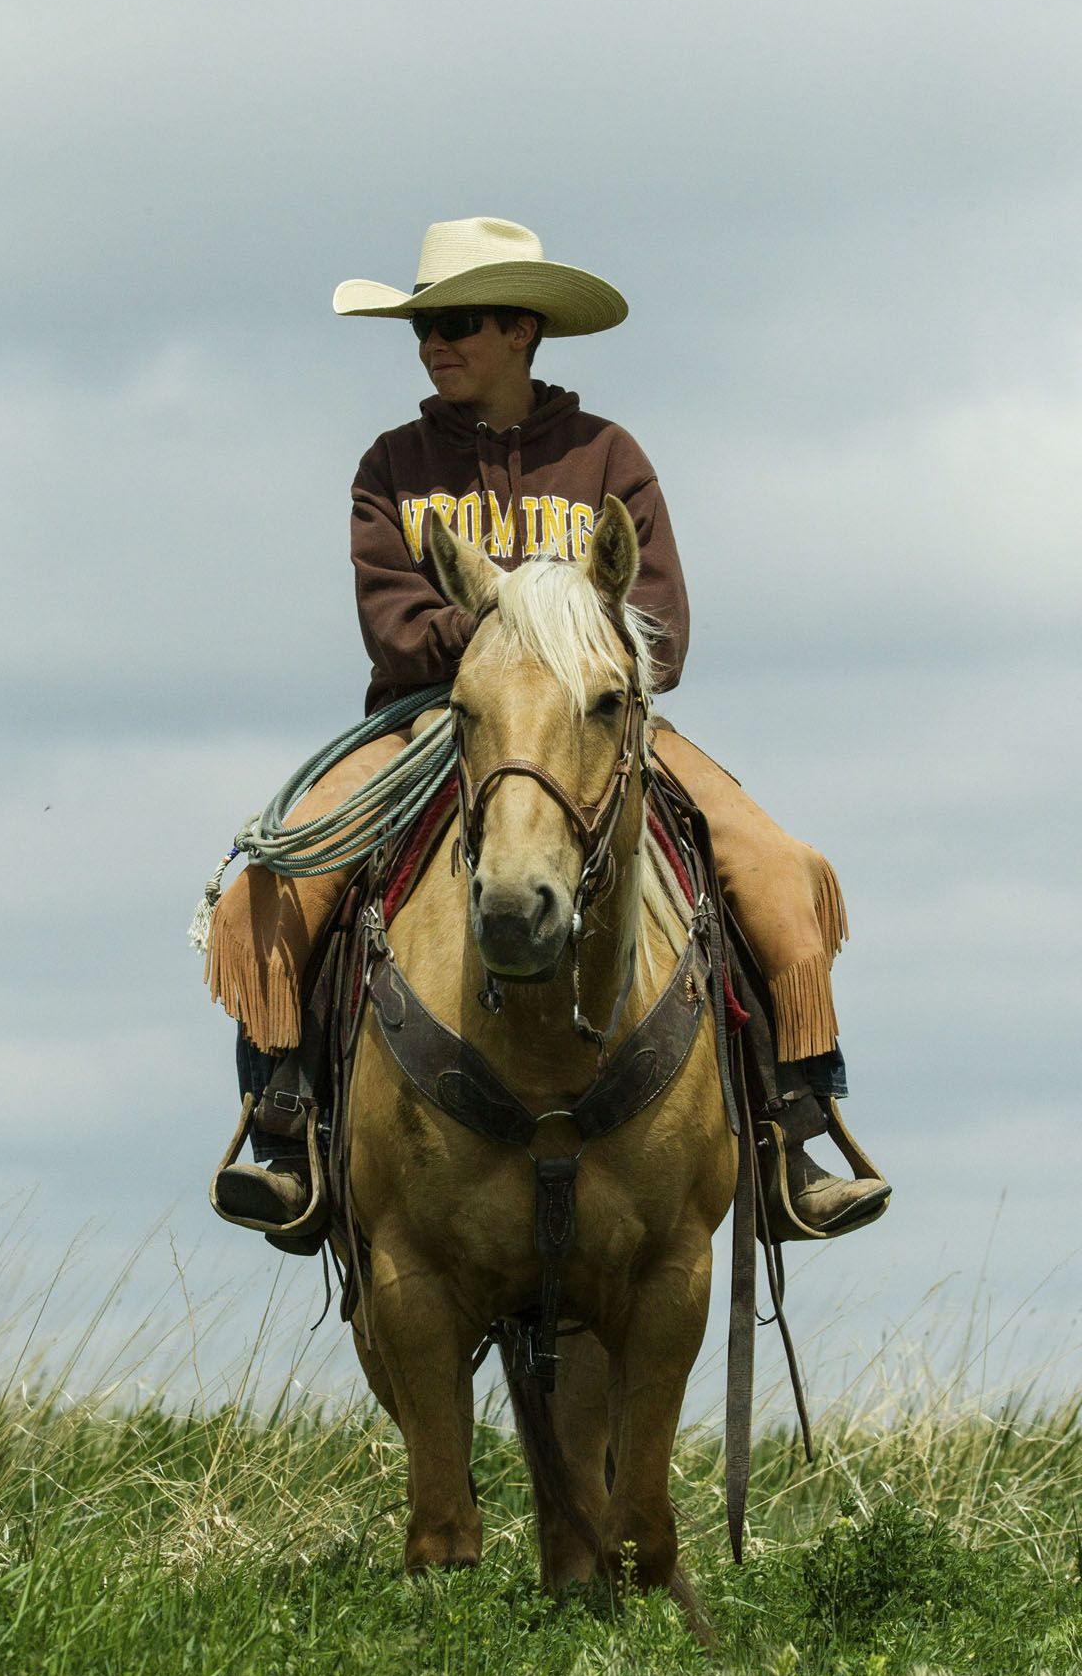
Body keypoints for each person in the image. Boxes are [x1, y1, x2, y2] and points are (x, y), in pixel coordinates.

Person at [206, 217, 889, 1240]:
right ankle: (287, 1125)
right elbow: (394, 628)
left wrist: (555, 648)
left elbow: (659, 629)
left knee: (780, 870)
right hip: (434, 716)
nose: (437, 343)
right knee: (275, 885)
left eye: (460, 323)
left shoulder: (609, 457)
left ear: (523, 327)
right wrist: (507, 632)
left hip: (596, 724)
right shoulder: (392, 464)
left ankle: (796, 1126)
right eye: (424, 327)